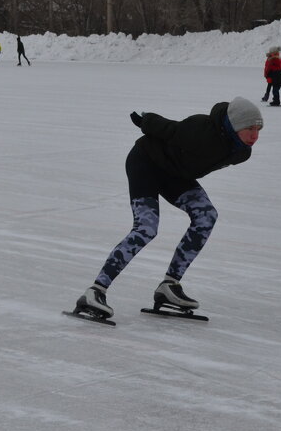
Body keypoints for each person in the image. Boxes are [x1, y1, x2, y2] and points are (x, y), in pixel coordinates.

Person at [73, 97, 263, 322]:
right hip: (146, 162)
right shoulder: (202, 130)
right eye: (249, 128)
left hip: (175, 174)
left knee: (206, 216)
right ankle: (95, 291)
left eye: (258, 129)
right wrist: (145, 120)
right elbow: (169, 129)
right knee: (146, 228)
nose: (254, 135)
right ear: (234, 125)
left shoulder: (241, 152)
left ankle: (169, 286)